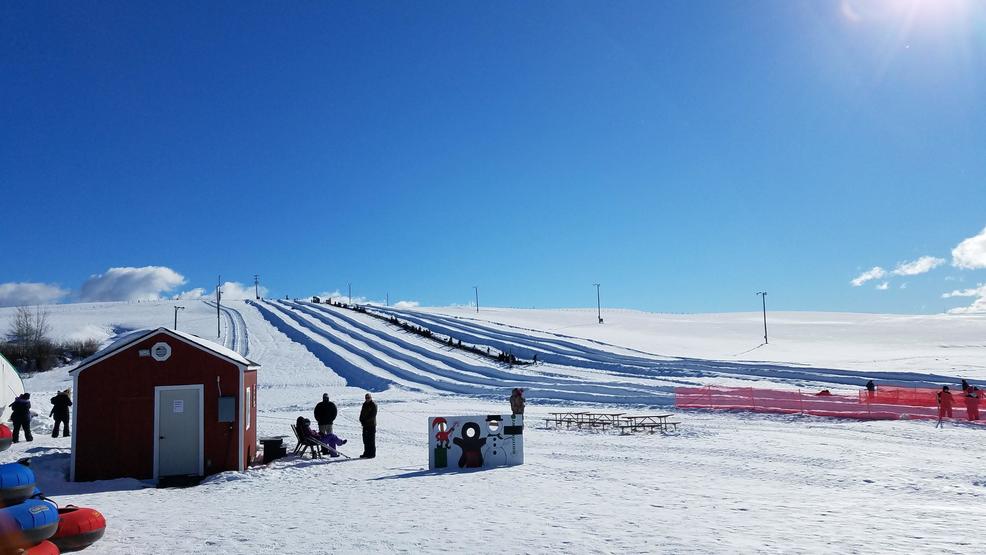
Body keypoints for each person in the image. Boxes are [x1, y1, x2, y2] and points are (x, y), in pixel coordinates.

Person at [359, 393, 377, 459]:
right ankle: (366, 453)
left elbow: (373, 415)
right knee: (365, 440)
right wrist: (361, 419)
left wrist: (365, 421)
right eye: (366, 398)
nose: (367, 399)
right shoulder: (364, 404)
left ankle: (372, 454)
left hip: (371, 425)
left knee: (371, 440)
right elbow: (362, 413)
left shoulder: (373, 405)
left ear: (371, 398)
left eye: (368, 398)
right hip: (365, 425)